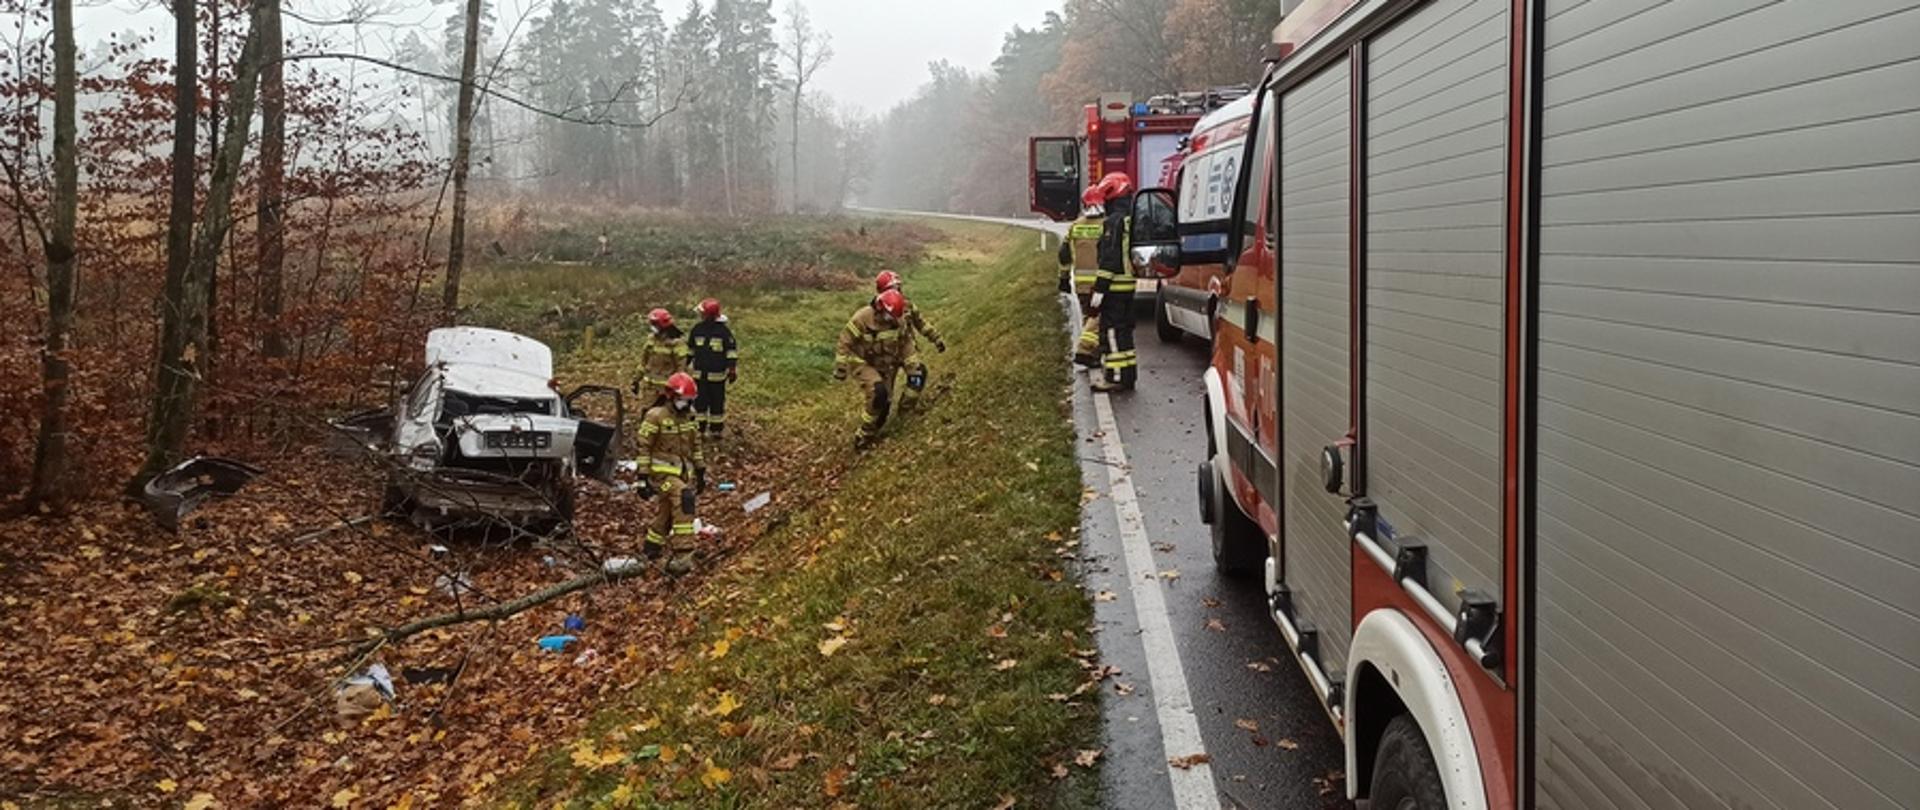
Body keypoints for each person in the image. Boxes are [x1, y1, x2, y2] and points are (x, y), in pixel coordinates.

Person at [634, 372, 705, 575]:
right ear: (670, 396)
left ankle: (651, 547)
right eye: (683, 400)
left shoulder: (689, 416)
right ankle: (684, 552)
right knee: (684, 499)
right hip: (662, 477)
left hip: (682, 474)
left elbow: (696, 445)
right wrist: (642, 478)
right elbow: (643, 448)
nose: (686, 404)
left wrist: (700, 470)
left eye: (689, 400)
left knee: (666, 512)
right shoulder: (655, 416)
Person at [835, 288, 915, 449]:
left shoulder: (898, 321)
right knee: (878, 392)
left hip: (885, 364)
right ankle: (863, 435)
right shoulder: (862, 318)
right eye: (888, 316)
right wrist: (841, 367)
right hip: (862, 361)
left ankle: (874, 430)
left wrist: (912, 365)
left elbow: (905, 342)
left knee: (885, 403)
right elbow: (844, 342)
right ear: (879, 308)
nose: (890, 320)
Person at [1089, 172, 1137, 392]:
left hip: (1115, 288)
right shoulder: (1132, 218)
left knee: (1112, 332)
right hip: (1129, 285)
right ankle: (1128, 376)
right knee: (1125, 332)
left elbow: (1109, 258)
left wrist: (1099, 291)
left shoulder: (1113, 222)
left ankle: (1115, 377)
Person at [1058, 187, 1106, 369]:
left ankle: (1092, 355)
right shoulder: (1107, 225)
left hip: (1081, 284)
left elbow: (1064, 255)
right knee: (1100, 319)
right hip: (1101, 283)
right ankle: (1084, 351)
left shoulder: (1075, 226)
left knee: (1089, 317)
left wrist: (1063, 278)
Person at [688, 298, 738, 436]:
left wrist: (732, 369)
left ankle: (716, 430)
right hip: (699, 376)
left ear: (708, 315)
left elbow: (731, 351)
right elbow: (690, 351)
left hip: (717, 377)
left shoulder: (723, 332)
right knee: (700, 402)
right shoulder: (697, 330)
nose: (701, 315)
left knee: (717, 403)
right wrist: (682, 367)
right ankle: (700, 428)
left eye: (702, 313)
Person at [633, 308, 691, 402]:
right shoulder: (651, 340)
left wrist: (679, 388)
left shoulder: (676, 344)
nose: (652, 327)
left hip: (667, 391)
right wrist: (636, 380)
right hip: (650, 389)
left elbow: (681, 368)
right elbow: (643, 363)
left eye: (654, 324)